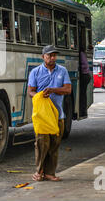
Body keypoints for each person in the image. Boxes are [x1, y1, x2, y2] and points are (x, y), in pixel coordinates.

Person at [27, 45, 72, 182]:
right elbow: (30, 91)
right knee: (41, 144)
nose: (52, 58)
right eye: (49, 55)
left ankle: (50, 173)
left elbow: (68, 89)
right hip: (42, 116)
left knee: (54, 145)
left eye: (54, 55)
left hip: (58, 115)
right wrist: (40, 95)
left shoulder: (62, 71)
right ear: (43, 57)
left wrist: (52, 90)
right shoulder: (35, 72)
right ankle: (39, 172)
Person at [79, 45, 91, 117]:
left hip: (84, 75)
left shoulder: (80, 54)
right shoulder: (83, 54)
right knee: (83, 94)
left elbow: (83, 65)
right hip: (86, 75)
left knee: (82, 94)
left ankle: (83, 111)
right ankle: (83, 111)